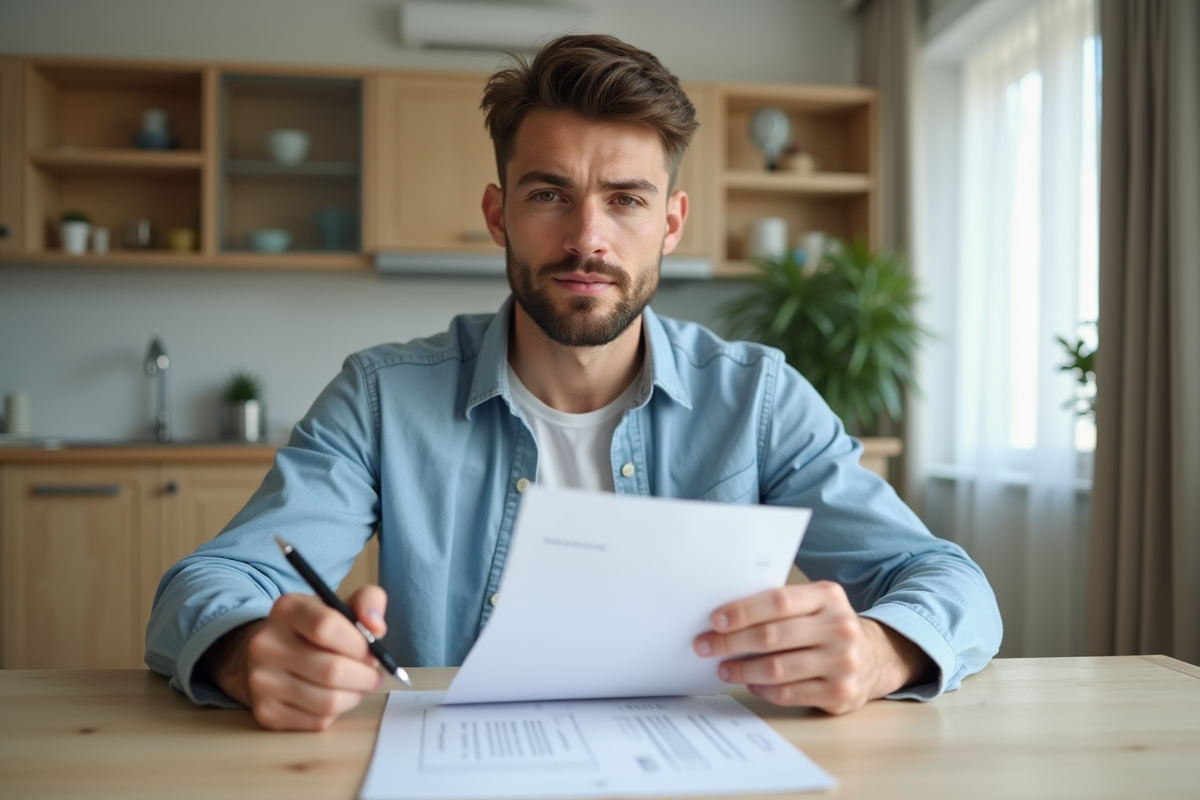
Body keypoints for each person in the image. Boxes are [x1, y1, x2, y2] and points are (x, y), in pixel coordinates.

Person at [146, 33, 1002, 732]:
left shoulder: (758, 399)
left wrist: (881, 651)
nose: (588, 237)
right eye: (550, 195)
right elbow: (207, 583)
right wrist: (246, 650)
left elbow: (946, 579)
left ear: (670, 224)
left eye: (625, 200)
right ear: (499, 215)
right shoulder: (381, 398)